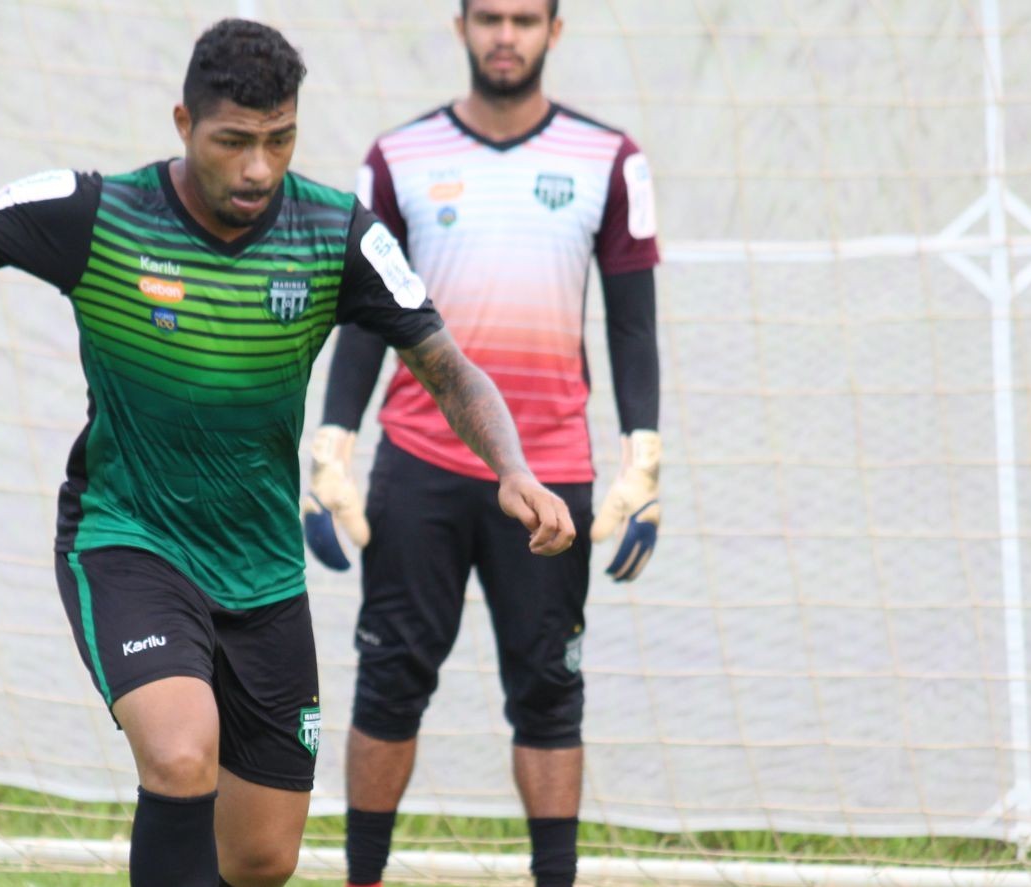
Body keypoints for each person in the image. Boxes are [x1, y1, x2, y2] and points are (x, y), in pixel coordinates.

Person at [0, 19, 576, 887]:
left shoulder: (337, 233)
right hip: (128, 538)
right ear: (184, 124)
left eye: (280, 139)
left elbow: (446, 364)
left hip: (260, 571)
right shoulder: (96, 212)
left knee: (262, 860)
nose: (258, 167)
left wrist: (516, 469)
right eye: (232, 141)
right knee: (180, 752)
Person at [300, 1, 662, 884]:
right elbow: (363, 315)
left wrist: (643, 457)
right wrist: (332, 447)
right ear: (459, 25)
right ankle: (363, 878)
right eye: (490, 16)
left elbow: (631, 326)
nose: (507, 35)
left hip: (551, 473)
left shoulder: (609, 160)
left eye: (525, 18)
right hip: (419, 464)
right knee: (390, 685)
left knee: (548, 691)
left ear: (554, 31)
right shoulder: (397, 158)